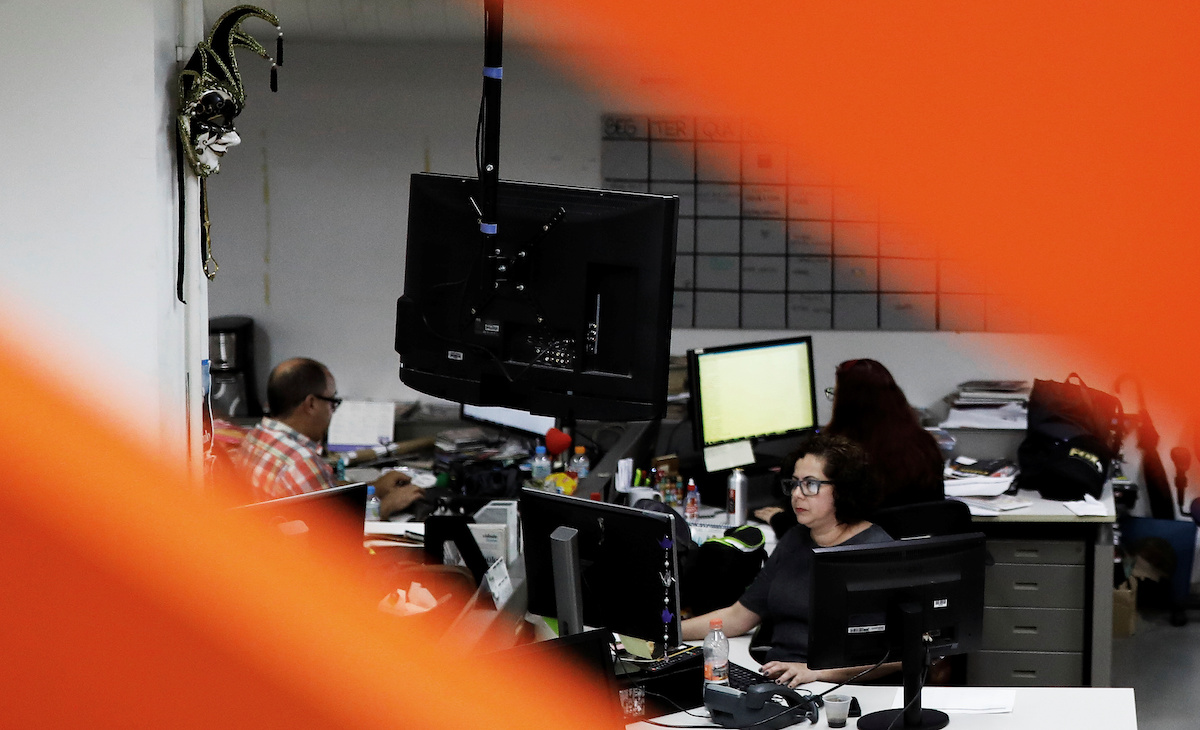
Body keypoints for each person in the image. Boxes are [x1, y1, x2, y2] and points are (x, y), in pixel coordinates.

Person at [681, 434, 896, 687]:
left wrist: (815, 672)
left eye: (810, 484)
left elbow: (895, 656)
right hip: (781, 678)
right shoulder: (795, 540)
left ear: (844, 489)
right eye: (794, 484)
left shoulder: (875, 552)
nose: (797, 494)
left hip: (839, 689)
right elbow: (739, 616)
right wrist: (666, 632)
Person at [756, 358, 944, 536]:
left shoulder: (837, 456)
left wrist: (777, 519)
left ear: (845, 405)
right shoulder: (924, 445)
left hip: (856, 556)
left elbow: (810, 530)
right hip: (919, 557)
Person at [235, 357, 422, 517]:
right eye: (333, 402)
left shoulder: (255, 437)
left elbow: (330, 500)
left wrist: (375, 488)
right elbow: (334, 539)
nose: (333, 411)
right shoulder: (301, 462)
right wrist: (387, 505)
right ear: (311, 404)